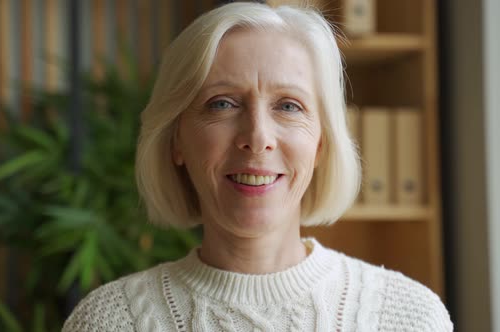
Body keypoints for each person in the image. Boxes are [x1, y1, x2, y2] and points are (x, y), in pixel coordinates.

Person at [62, 2, 453, 331]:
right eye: (222, 103)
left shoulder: (409, 318)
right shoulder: (111, 321)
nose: (258, 136)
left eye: (288, 106)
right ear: (176, 139)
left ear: (320, 143)